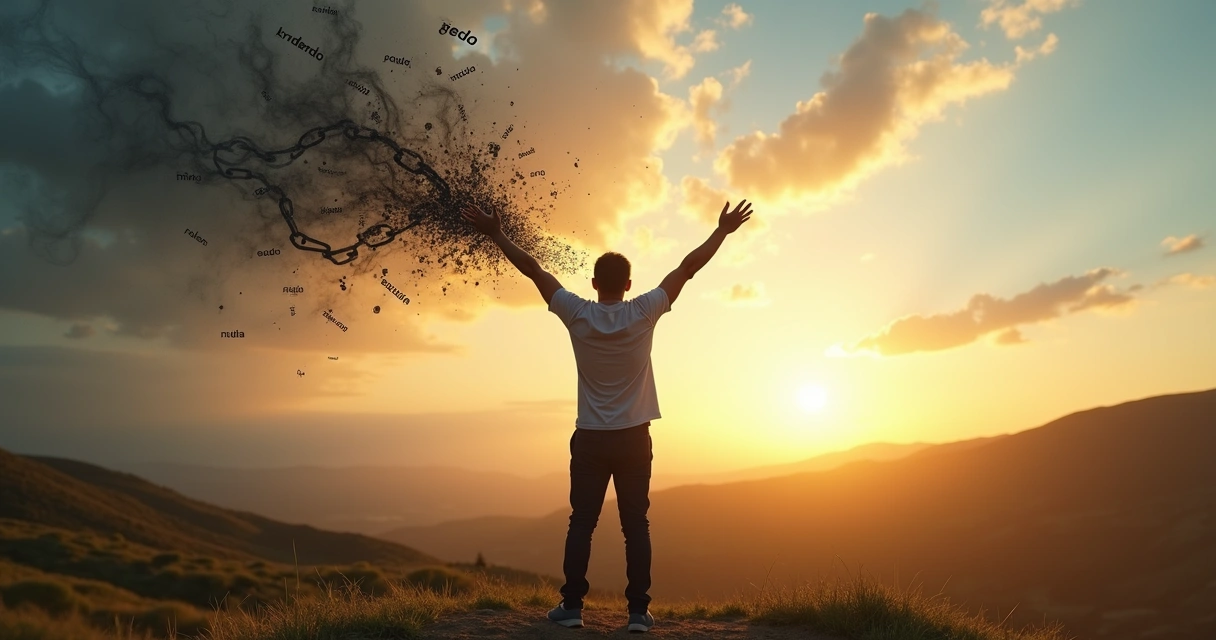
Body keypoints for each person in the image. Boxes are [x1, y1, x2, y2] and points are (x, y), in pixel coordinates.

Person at [460, 199, 754, 633]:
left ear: (595, 283)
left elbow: (534, 270)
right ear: (629, 283)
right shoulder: (645, 310)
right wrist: (722, 232)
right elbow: (687, 268)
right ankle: (638, 614)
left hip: (592, 439)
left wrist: (496, 233)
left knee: (583, 521)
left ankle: (572, 608)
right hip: (635, 438)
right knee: (636, 524)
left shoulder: (577, 313)